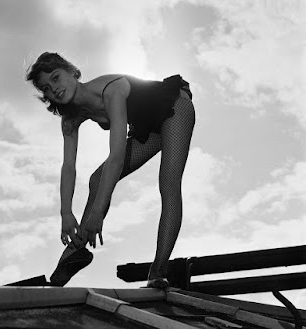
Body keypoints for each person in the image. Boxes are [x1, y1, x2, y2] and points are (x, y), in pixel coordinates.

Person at [26, 52, 195, 288]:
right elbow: (68, 167)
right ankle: (73, 255)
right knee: (97, 180)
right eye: (46, 87)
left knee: (168, 183)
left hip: (174, 105)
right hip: (149, 125)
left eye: (56, 78)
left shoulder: (111, 91)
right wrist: (65, 212)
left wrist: (97, 212)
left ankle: (158, 272)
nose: (53, 88)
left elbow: (115, 157)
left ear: (73, 72)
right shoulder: (70, 120)